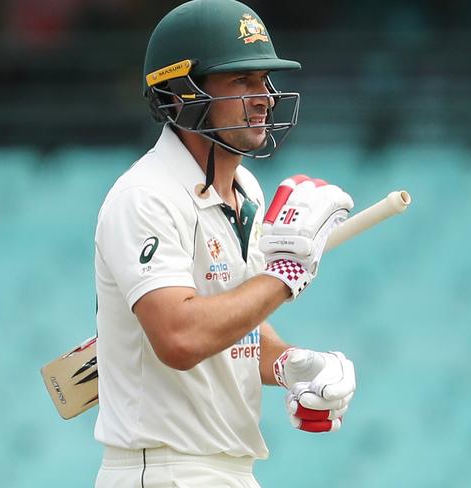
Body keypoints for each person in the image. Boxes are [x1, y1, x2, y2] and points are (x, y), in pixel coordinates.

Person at [93, 1, 357, 486]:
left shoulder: (249, 191)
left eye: (263, 81)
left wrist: (290, 363)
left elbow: (229, 324)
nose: (264, 98)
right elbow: (180, 338)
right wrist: (285, 275)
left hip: (230, 469)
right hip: (165, 468)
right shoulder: (145, 196)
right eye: (240, 82)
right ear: (180, 94)